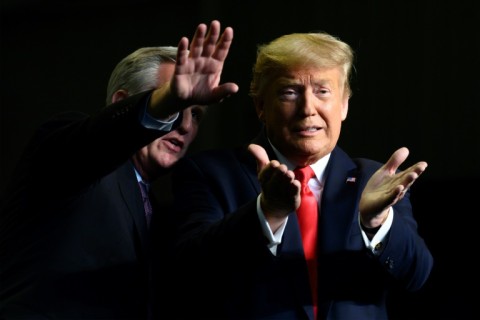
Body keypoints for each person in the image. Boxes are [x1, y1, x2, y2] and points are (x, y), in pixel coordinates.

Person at [170, 31, 433, 319]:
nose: (308, 109)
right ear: (260, 106)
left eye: (323, 91)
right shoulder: (210, 173)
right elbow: (187, 275)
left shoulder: (377, 179)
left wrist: (377, 223)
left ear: (344, 104)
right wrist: (267, 214)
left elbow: (417, 276)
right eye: (289, 92)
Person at [0, 20, 238, 319]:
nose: (186, 125)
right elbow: (97, 140)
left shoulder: (162, 214)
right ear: (122, 102)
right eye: (176, 105)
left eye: (196, 114)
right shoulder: (67, 155)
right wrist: (164, 103)